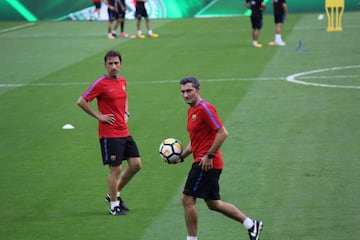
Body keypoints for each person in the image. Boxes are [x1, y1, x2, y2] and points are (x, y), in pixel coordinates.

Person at [178, 77, 263, 240]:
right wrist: (181, 156)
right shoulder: (191, 111)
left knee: (187, 199)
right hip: (206, 161)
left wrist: (209, 156)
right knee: (213, 203)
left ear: (198, 89)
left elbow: (222, 132)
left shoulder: (205, 108)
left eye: (189, 91)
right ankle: (251, 225)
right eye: (183, 92)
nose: (186, 95)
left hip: (206, 163)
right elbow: (195, 141)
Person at [77, 50, 142, 216]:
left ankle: (114, 194)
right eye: (110, 63)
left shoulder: (122, 81)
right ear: (105, 65)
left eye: (116, 63)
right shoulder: (100, 84)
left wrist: (126, 113)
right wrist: (99, 116)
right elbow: (81, 101)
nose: (113, 66)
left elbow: (125, 97)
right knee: (116, 169)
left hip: (124, 131)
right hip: (109, 134)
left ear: (121, 64)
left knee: (136, 165)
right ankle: (114, 206)